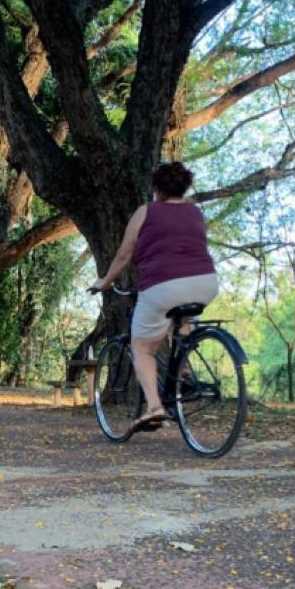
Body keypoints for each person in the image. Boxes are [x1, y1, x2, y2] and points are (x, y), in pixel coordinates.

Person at [90, 162, 218, 432]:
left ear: (156, 188)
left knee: (142, 347)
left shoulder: (146, 211)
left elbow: (125, 254)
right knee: (181, 320)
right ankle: (183, 369)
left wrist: (105, 282)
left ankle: (155, 407)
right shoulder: (195, 212)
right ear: (185, 186)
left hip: (163, 286)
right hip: (206, 283)